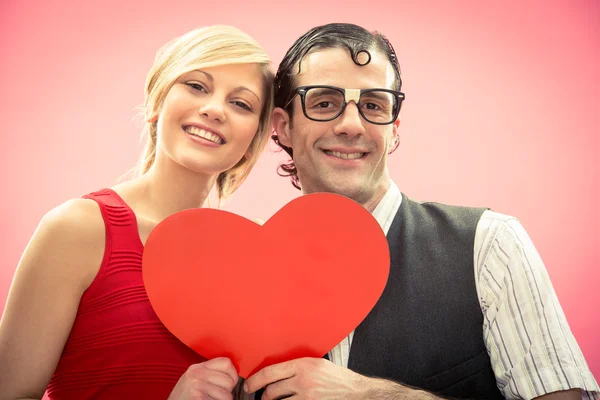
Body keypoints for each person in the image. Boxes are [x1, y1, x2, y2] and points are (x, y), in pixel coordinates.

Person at [244, 23, 600, 400]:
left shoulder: (489, 245)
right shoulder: (239, 276)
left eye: (372, 105)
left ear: (394, 129)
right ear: (282, 127)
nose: (351, 125)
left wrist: (372, 395)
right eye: (324, 103)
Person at [0, 25, 274, 400]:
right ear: (156, 102)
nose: (213, 109)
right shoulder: (77, 229)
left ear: (252, 142)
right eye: (196, 86)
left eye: (241, 104)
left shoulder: (259, 253)